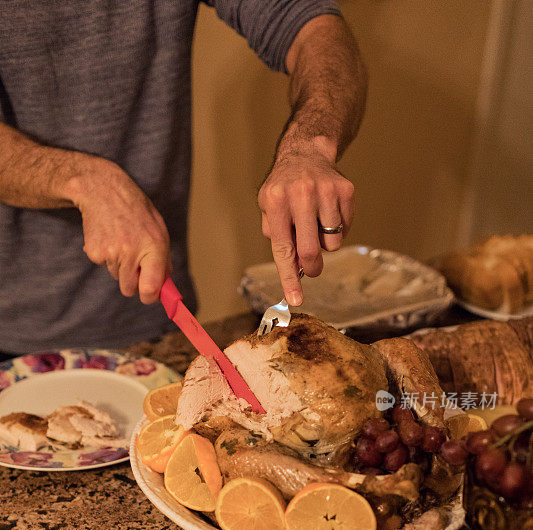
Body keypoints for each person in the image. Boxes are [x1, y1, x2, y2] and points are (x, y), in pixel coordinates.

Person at [0, 1, 367, 357]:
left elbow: (313, 27)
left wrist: (309, 146)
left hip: (159, 314)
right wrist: (84, 181)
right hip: (10, 325)